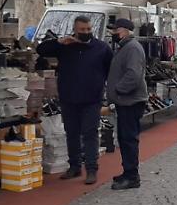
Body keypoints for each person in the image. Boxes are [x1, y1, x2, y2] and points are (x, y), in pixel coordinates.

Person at [36, 16, 112, 184]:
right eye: (82, 30)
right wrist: (59, 42)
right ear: (75, 30)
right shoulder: (65, 46)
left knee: (90, 133)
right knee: (71, 133)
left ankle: (91, 169)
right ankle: (74, 166)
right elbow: (41, 50)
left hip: (92, 99)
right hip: (68, 97)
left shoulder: (101, 48)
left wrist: (104, 91)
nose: (86, 32)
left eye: (88, 29)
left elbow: (109, 70)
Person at [106, 19, 149, 190]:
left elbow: (133, 75)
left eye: (114, 30)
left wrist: (118, 90)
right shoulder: (126, 47)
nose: (112, 33)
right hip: (126, 100)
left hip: (130, 101)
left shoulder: (132, 48)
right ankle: (128, 172)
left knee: (128, 139)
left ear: (124, 31)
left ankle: (132, 176)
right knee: (125, 138)